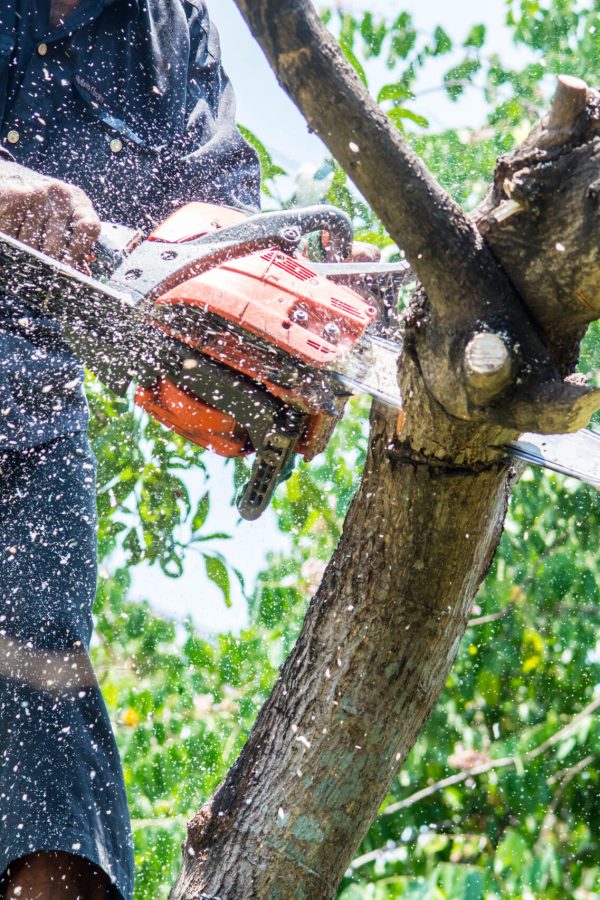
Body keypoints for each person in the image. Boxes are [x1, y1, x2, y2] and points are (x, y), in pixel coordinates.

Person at [0, 1, 260, 897]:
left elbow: (218, 219)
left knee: (42, 680)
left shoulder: (169, 28)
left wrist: (283, 326)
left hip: (31, 393)